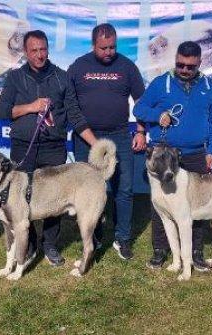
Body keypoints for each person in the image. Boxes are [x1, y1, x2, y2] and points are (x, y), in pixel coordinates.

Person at [0, 30, 97, 267]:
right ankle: (29, 245)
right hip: (24, 148)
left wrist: (95, 144)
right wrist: (31, 107)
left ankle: (50, 244)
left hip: (54, 147)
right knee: (20, 200)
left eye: (43, 49)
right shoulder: (14, 78)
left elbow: (73, 113)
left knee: (56, 199)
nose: (40, 55)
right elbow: (3, 112)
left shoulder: (62, 77)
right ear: (25, 52)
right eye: (34, 51)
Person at [133, 41, 212, 272]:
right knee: (161, 204)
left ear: (199, 63)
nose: (184, 70)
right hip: (165, 153)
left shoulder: (210, 86)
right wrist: (157, 114)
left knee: (197, 205)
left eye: (190, 67)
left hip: (195, 154)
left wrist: (211, 150)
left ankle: (196, 252)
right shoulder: (162, 83)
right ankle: (160, 250)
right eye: (180, 64)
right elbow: (138, 110)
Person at [67, 23, 146, 260]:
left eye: (112, 47)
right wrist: (93, 142)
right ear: (93, 45)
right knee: (89, 192)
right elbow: (71, 108)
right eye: (103, 48)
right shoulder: (78, 67)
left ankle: (122, 238)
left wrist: (141, 131)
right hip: (86, 138)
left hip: (120, 135)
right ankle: (95, 235)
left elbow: (141, 101)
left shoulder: (127, 66)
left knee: (124, 189)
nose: (109, 52)